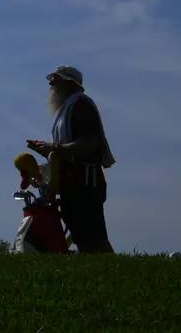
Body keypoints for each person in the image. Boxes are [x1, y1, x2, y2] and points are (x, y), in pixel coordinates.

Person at [29, 66, 116, 253]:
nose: (51, 84)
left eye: (55, 79)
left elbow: (89, 143)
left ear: (69, 82)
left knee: (94, 238)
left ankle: (112, 268)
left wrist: (54, 148)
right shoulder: (69, 107)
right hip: (73, 181)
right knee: (83, 238)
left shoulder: (81, 105)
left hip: (85, 181)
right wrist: (49, 150)